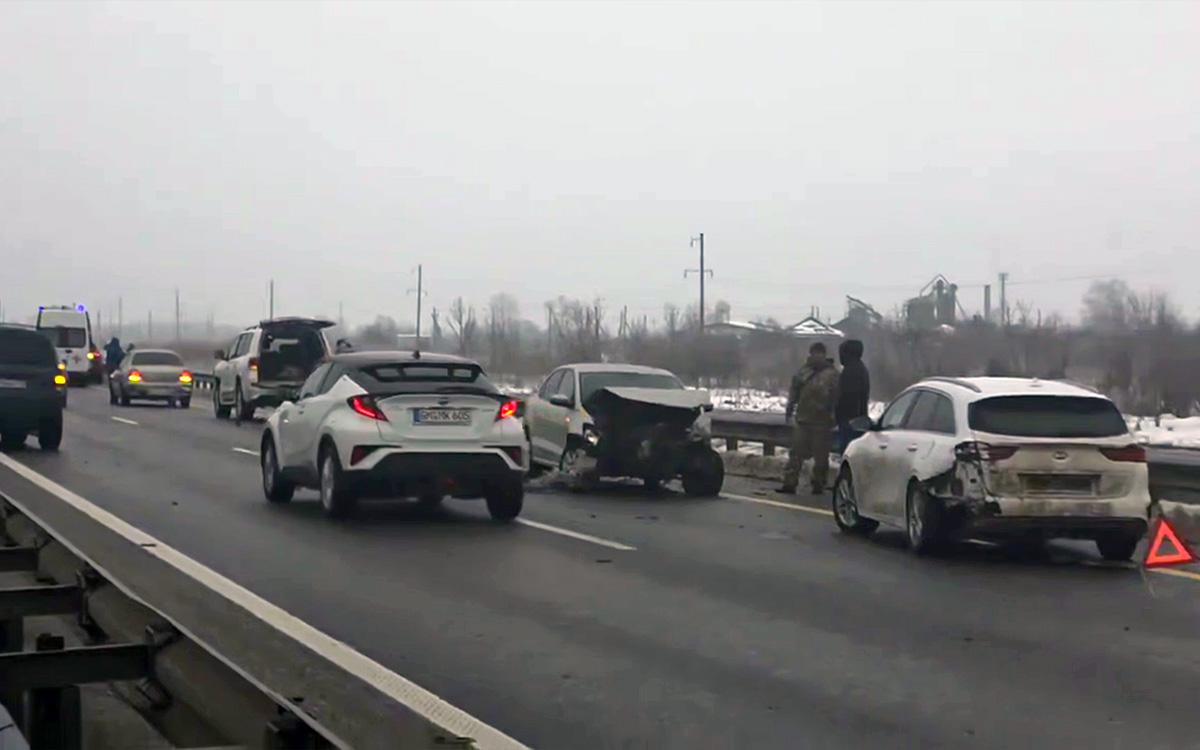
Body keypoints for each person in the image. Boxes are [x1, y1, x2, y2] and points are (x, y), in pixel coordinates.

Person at [780, 341, 840, 494]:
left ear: (824, 355)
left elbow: (837, 396)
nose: (816, 357)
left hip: (822, 421)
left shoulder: (832, 374)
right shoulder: (804, 372)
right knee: (795, 455)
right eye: (814, 353)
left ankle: (818, 484)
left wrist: (834, 415)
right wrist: (789, 408)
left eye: (819, 354)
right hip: (803, 419)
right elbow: (794, 391)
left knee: (821, 458)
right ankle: (789, 483)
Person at [835, 339, 870, 453]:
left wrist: (837, 412)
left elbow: (847, 396)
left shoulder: (852, 371)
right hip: (855, 418)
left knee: (847, 451)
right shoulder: (858, 368)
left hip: (850, 420)